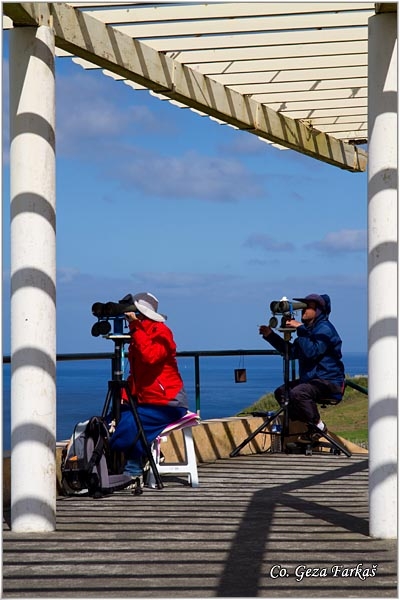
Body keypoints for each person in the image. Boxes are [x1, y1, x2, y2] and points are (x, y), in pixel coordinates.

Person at [109, 292, 189, 482]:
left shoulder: (162, 333)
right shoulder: (138, 334)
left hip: (168, 402)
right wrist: (125, 395)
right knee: (113, 418)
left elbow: (150, 357)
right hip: (146, 400)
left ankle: (134, 465)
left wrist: (136, 327)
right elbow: (136, 374)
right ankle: (138, 458)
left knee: (130, 423)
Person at [259, 293, 345, 441]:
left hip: (329, 381)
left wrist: (300, 329)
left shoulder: (325, 329)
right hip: (313, 380)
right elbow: (292, 353)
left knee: (299, 392)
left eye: (308, 306)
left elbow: (312, 352)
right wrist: (270, 336)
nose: (303, 310)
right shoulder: (307, 330)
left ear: (318, 310)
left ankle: (319, 427)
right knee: (282, 392)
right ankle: (310, 426)